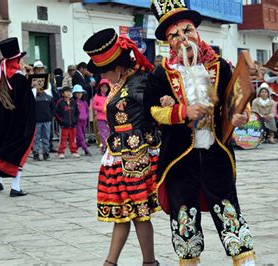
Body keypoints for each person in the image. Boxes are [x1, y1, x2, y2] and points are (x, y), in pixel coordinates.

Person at [145, 1, 255, 265]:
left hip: (217, 153)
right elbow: (150, 111)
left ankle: (245, 260)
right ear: (168, 43)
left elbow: (238, 100)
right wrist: (182, 112)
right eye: (175, 35)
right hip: (180, 157)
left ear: (197, 32)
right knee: (184, 216)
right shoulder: (161, 74)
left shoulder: (220, 66)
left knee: (229, 210)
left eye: (188, 30)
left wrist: (242, 116)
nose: (183, 39)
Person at [83, 28, 161, 266]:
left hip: (136, 157)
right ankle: (111, 263)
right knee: (121, 214)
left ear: (117, 68)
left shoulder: (139, 82)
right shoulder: (122, 81)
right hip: (118, 155)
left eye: (105, 72)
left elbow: (153, 109)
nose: (103, 77)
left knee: (139, 214)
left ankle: (148, 262)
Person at [0, 37, 36, 197]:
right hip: (15, 123)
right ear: (17, 59)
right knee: (18, 150)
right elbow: (27, 103)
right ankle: (15, 187)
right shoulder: (19, 78)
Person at [55, 87, 80, 158]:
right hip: (64, 125)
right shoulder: (60, 102)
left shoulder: (73, 102)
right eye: (66, 92)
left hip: (73, 124)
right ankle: (61, 152)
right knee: (63, 139)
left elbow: (77, 112)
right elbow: (57, 113)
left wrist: (75, 120)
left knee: (73, 139)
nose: (69, 93)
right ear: (62, 94)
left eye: (70, 91)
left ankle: (74, 151)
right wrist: (61, 121)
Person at [33, 82, 55, 161]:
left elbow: (53, 108)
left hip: (47, 121)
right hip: (37, 121)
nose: (40, 89)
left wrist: (50, 116)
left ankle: (46, 153)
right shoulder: (33, 98)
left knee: (46, 137)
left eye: (41, 88)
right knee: (36, 138)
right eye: (38, 88)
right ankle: (36, 153)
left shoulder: (49, 97)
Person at [92, 79, 110, 153]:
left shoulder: (110, 95)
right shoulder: (97, 96)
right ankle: (104, 147)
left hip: (109, 117)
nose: (104, 89)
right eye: (102, 87)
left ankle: (108, 147)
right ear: (99, 88)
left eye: (106, 87)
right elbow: (93, 105)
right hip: (101, 118)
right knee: (103, 133)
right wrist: (101, 109)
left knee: (109, 133)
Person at [73, 84, 91, 156]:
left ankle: (75, 149)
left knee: (82, 136)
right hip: (77, 122)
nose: (79, 94)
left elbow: (87, 110)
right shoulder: (73, 102)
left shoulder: (84, 102)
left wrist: (86, 117)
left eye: (80, 93)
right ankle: (86, 149)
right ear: (74, 94)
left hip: (84, 122)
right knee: (81, 136)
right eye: (77, 93)